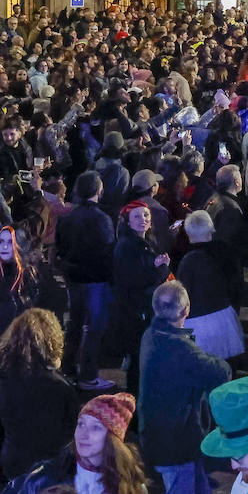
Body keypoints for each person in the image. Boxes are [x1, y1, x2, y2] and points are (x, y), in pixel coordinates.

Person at [138, 281, 233, 494]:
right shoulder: (180, 348)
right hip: (175, 446)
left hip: (164, 437)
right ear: (186, 310)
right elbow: (219, 372)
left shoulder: (152, 334)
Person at [2, 392, 144, 494]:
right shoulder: (45, 477)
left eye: (95, 428)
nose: (83, 434)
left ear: (113, 439)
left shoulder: (131, 482)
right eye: (81, 424)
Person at [0, 308, 78, 479]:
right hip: (50, 466)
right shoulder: (61, 387)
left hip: (13, 461)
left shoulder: (4, 378)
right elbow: (71, 430)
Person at [55, 170, 115, 390]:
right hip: (96, 280)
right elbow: (108, 252)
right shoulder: (103, 219)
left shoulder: (67, 217)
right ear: (99, 190)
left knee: (75, 325)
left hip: (74, 278)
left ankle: (68, 370)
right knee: (94, 328)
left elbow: (60, 247)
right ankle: (88, 375)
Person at [110, 199, 170, 394]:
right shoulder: (128, 246)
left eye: (145, 215)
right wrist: (160, 269)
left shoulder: (143, 242)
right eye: (136, 216)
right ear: (127, 221)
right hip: (135, 311)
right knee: (137, 359)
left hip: (139, 309)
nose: (143, 219)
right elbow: (136, 280)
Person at [177, 210, 246, 359]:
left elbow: (183, 294)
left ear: (188, 232)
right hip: (225, 317)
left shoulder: (188, 260)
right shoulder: (226, 252)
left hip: (197, 322)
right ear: (211, 228)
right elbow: (237, 284)